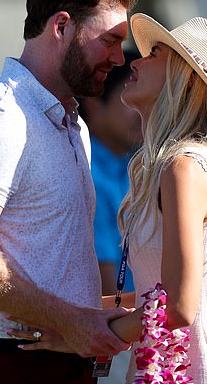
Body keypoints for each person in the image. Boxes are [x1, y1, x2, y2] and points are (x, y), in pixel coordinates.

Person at [11, 13, 207, 383]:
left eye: (155, 53)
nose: (136, 60)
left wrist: (88, 335)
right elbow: (156, 296)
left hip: (194, 370)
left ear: (185, 78)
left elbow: (177, 307)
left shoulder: (183, 168)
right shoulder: (191, 163)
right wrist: (75, 319)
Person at [0, 0, 136, 383]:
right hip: (16, 365)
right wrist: (73, 319)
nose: (118, 58)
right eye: (110, 40)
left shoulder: (74, 121)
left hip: (55, 361)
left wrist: (92, 317)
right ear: (61, 26)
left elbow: (52, 268)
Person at [80, 50, 142, 383]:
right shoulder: (88, 171)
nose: (139, 111)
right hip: (113, 334)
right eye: (125, 98)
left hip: (131, 327)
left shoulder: (135, 164)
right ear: (93, 104)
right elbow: (106, 277)